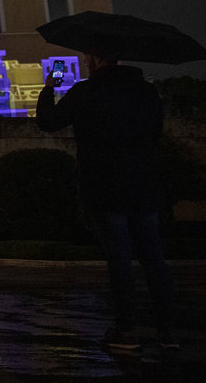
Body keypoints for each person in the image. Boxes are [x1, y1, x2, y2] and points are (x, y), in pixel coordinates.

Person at [35, 48, 177, 355]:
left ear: (96, 59)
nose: (86, 59)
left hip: (105, 185)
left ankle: (127, 330)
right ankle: (167, 331)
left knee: (120, 259)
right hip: (144, 184)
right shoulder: (147, 92)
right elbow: (156, 133)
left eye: (88, 55)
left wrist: (49, 88)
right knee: (154, 259)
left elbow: (47, 122)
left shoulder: (87, 91)